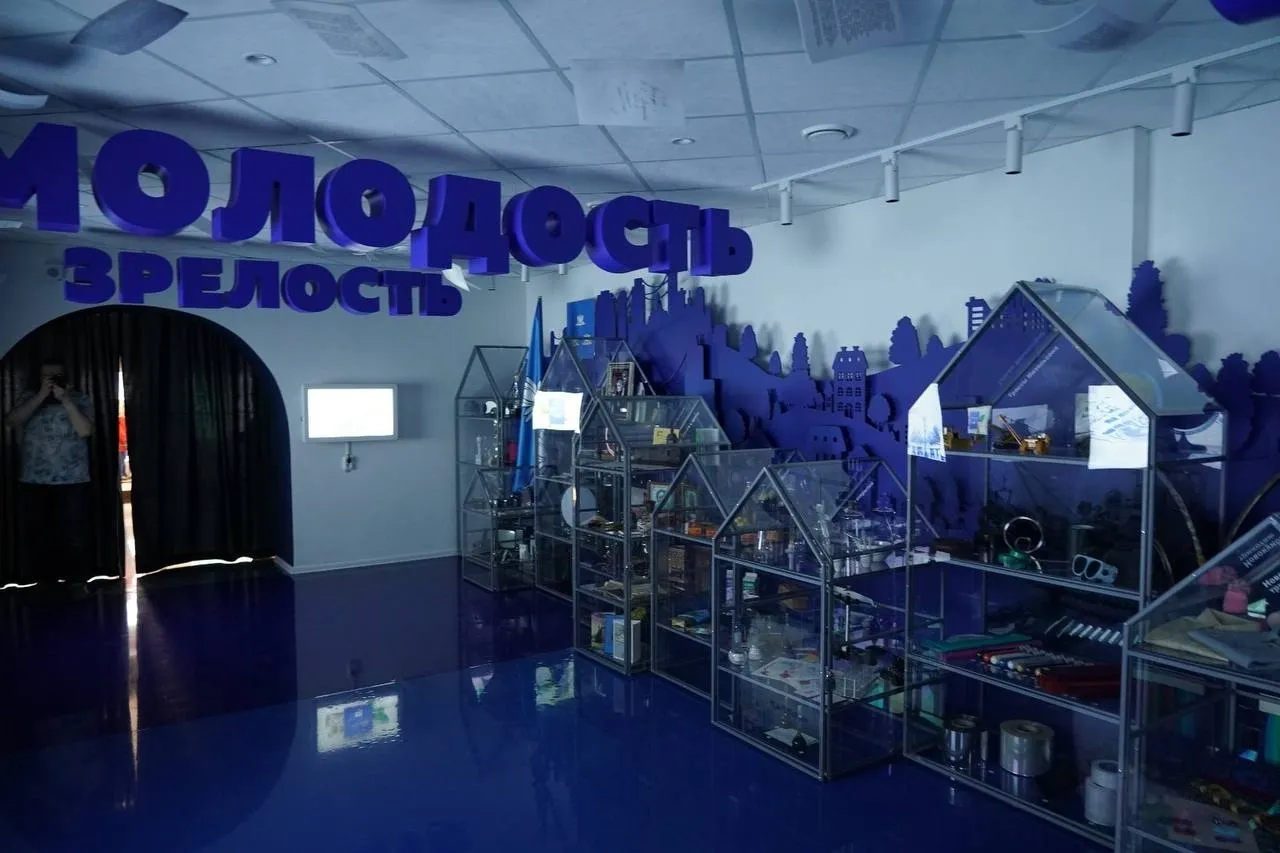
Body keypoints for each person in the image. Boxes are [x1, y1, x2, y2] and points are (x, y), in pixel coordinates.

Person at [3, 358, 95, 584]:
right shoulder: (28, 397)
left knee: (74, 535)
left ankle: (77, 583)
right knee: (38, 535)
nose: (52, 381)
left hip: (73, 479)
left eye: (57, 377)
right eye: (47, 377)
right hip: (34, 479)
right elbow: (11, 421)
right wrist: (41, 396)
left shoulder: (79, 398)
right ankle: (44, 584)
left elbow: (85, 430)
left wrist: (66, 400)